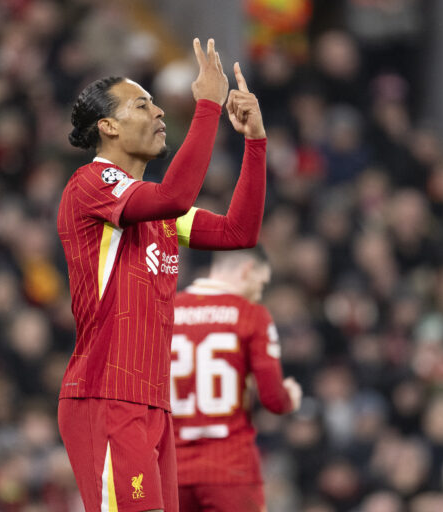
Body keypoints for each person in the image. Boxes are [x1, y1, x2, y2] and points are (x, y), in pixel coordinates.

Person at [56, 38, 268, 512]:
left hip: (152, 401)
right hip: (106, 395)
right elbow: (175, 196)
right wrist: (208, 105)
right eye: (142, 104)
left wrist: (255, 142)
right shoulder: (92, 184)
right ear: (108, 126)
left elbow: (239, 230)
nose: (158, 113)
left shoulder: (152, 207)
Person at [171, 248, 302, 512]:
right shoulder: (251, 315)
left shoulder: (165, 311)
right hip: (230, 465)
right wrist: (290, 397)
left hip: (171, 468)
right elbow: (273, 399)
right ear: (247, 270)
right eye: (261, 283)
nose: (259, 293)